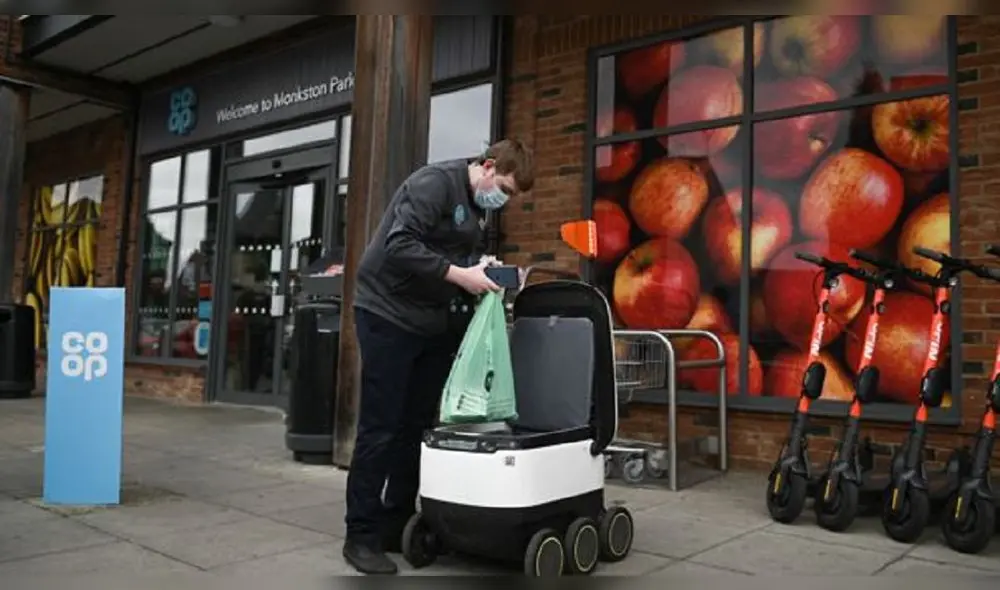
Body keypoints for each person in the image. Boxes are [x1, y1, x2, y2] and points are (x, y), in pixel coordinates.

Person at [342, 139, 535, 575]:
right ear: (487, 166)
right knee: (381, 426)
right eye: (502, 187)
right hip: (385, 313)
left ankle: (395, 523)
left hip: (429, 320)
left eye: (509, 196)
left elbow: (453, 255)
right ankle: (361, 535)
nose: (501, 200)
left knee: (417, 426)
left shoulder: (477, 206)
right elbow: (399, 243)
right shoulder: (433, 184)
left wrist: (480, 267)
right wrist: (459, 274)